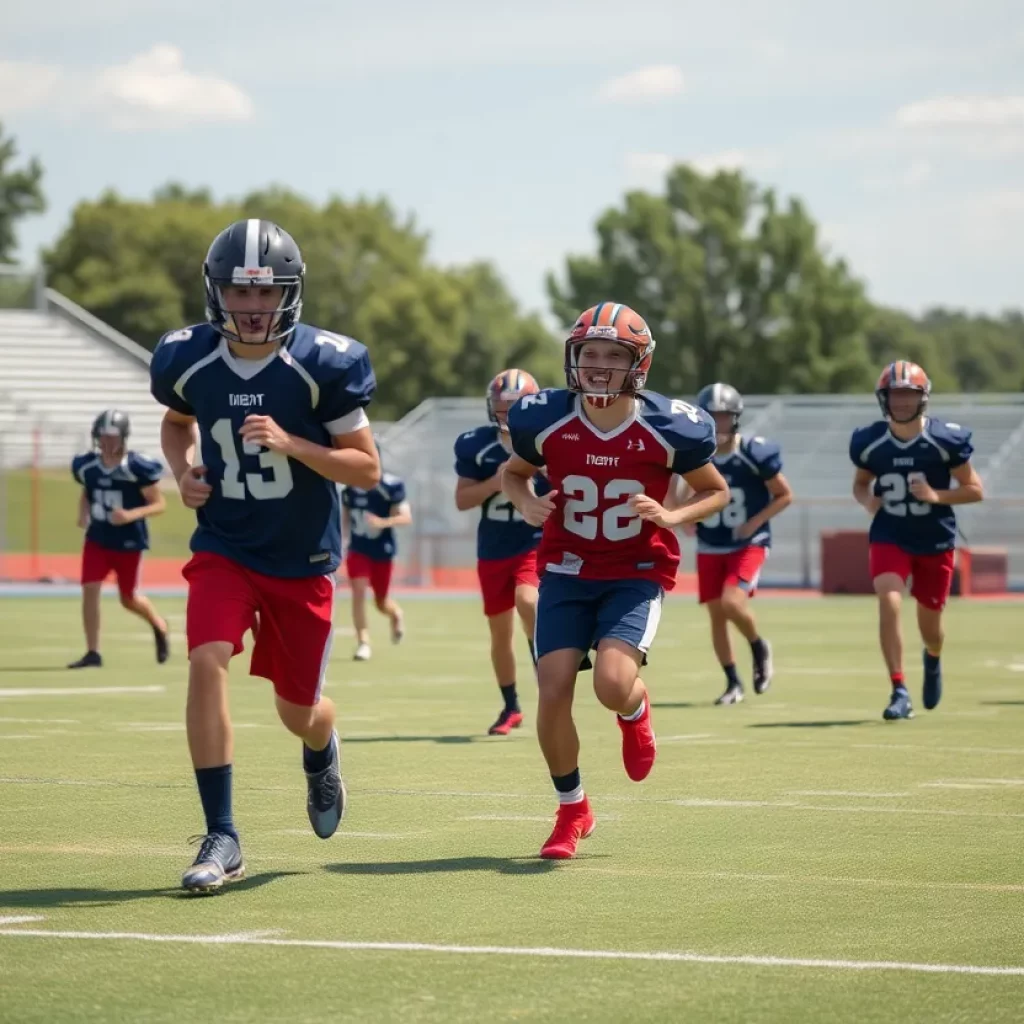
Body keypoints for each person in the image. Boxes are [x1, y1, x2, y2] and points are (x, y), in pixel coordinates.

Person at [150, 218, 380, 893]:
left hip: (302, 559)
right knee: (205, 660)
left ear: (290, 294)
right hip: (224, 545)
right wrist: (182, 468)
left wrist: (294, 444)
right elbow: (174, 421)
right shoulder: (186, 357)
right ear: (216, 291)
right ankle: (222, 833)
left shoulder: (324, 364)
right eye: (239, 292)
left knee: (299, 711)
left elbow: (365, 470)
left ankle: (321, 747)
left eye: (266, 293)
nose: (252, 307)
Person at [502, 301, 729, 859]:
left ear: (638, 364)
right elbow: (513, 473)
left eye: (612, 354)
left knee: (609, 683)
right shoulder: (546, 417)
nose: (599, 364)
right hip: (565, 569)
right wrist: (524, 501)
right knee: (552, 688)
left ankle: (634, 709)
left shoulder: (669, 425)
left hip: (635, 571)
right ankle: (571, 810)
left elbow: (715, 490)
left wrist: (673, 517)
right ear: (572, 358)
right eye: (589, 353)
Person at [849, 361, 983, 721]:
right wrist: (867, 501)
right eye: (896, 394)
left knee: (932, 628)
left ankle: (933, 657)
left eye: (909, 394)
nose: (903, 402)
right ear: (884, 398)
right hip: (890, 533)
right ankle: (899, 689)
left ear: (923, 398)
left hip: (934, 539)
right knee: (889, 600)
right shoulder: (871, 441)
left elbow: (974, 490)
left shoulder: (944, 440)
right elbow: (861, 483)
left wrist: (937, 496)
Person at [685, 383, 792, 705]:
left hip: (748, 542)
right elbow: (679, 500)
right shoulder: (696, 456)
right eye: (711, 418)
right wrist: (683, 511)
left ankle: (758, 645)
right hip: (710, 543)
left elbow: (784, 494)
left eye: (723, 417)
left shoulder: (753, 453)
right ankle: (733, 682)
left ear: (735, 418)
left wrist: (755, 522)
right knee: (717, 615)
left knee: (732, 603)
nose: (718, 425)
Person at [453, 369, 547, 735]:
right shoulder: (476, 444)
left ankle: (549, 683)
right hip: (493, 547)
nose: (506, 412)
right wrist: (496, 482)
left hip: (532, 542)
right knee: (499, 632)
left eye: (514, 405)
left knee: (529, 601)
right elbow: (462, 499)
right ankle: (511, 706)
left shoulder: (546, 442)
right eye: (501, 406)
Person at [68, 410, 170, 669]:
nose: (107, 442)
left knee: (129, 598)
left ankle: (158, 625)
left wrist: (130, 515)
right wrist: (83, 513)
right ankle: (93, 652)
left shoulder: (136, 467)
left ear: (123, 438)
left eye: (112, 437)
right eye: (102, 437)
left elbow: (159, 504)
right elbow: (87, 491)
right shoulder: (88, 466)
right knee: (90, 589)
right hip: (98, 538)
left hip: (128, 541)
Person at [340, 440, 411, 661]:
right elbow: (344, 522)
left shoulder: (390, 486)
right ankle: (363, 642)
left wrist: (383, 522)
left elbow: (406, 517)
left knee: (381, 601)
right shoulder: (349, 489)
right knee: (358, 592)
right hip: (358, 548)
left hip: (382, 549)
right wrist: (338, 545)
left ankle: (396, 613)